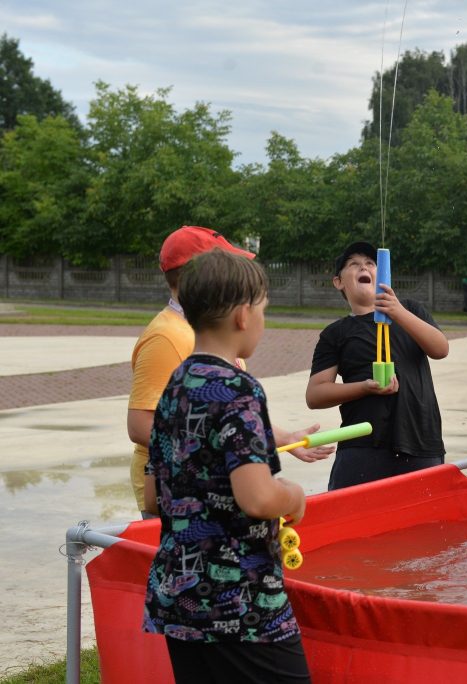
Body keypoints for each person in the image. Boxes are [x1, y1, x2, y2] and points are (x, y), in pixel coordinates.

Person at [142, 249, 310, 683]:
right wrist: (293, 496)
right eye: (263, 311)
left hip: (179, 594)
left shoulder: (175, 386)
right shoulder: (237, 388)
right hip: (242, 604)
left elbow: (152, 498)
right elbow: (257, 497)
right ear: (242, 315)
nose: (262, 321)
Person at [127, 225, 330, 518]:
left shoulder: (189, 367)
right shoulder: (169, 338)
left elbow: (154, 490)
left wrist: (283, 438)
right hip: (230, 548)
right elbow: (259, 498)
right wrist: (294, 497)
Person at [306, 241, 449, 490]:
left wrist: (397, 312)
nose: (364, 267)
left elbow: (440, 349)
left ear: (383, 274)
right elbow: (315, 394)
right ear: (338, 282)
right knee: (351, 522)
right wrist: (364, 387)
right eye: (354, 264)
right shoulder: (336, 333)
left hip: (420, 440)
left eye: (371, 263)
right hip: (362, 444)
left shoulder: (411, 310)